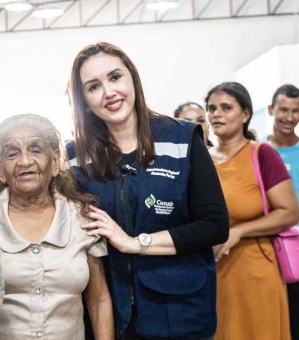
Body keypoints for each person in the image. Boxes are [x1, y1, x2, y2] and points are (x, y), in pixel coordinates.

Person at [66, 42, 229, 340]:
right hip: (109, 316)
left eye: (115, 77)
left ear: (132, 79)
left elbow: (214, 226)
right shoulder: (75, 157)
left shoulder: (182, 138)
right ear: (84, 101)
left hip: (180, 313)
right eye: (93, 86)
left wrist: (133, 243)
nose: (109, 92)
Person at [0, 114, 113, 340]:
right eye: (12, 153)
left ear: (54, 161)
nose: (24, 161)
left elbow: (99, 300)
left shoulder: (83, 217)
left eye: (35, 150)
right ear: (0, 170)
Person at [206, 82, 298, 340]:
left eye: (226, 107)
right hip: (213, 271)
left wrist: (239, 232)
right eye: (212, 108)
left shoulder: (262, 154)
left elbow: (289, 212)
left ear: (245, 114)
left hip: (255, 268)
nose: (217, 114)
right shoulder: (202, 159)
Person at [265, 84, 299, 340]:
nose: (289, 117)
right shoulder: (259, 152)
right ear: (270, 110)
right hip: (273, 248)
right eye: (283, 110)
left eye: (296, 111)